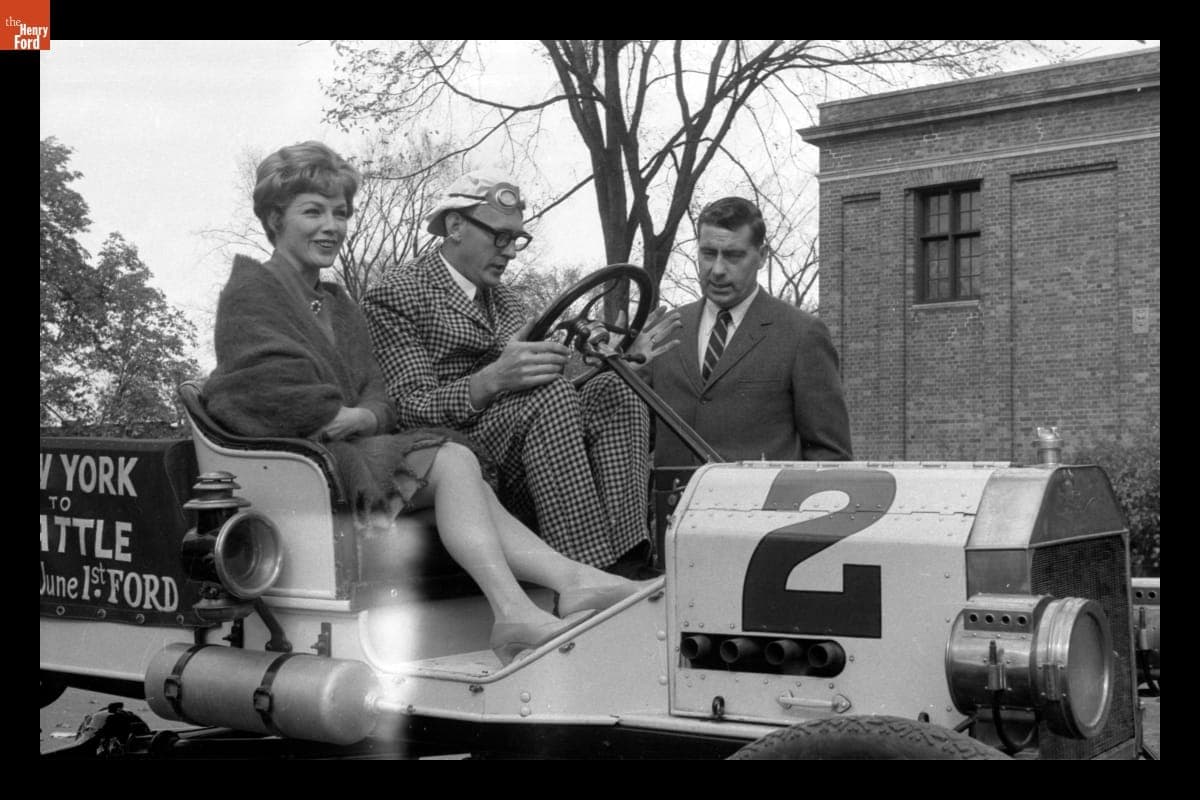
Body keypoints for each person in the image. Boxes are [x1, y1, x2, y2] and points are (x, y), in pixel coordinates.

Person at [202, 142, 645, 666]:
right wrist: (350, 413)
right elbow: (270, 389)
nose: (332, 226)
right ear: (275, 218)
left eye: (340, 213)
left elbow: (374, 392)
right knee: (454, 457)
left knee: (583, 408)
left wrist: (365, 414)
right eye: (313, 211)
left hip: (355, 443)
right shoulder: (251, 293)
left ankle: (579, 582)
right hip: (305, 460)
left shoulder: (338, 303)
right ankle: (532, 599)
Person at [362, 169, 679, 577]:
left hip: (524, 446)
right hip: (449, 458)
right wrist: (491, 380)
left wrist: (615, 362)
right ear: (455, 225)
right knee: (547, 397)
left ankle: (630, 560)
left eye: (517, 240)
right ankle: (589, 575)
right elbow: (407, 409)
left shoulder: (509, 300)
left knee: (615, 391)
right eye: (501, 237)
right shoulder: (398, 294)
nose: (511, 251)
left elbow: (553, 383)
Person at [647, 196, 853, 466]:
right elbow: (630, 437)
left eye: (734, 256)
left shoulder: (801, 334)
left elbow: (830, 459)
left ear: (762, 257)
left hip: (758, 507)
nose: (717, 270)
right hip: (671, 507)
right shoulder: (666, 330)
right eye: (708, 253)